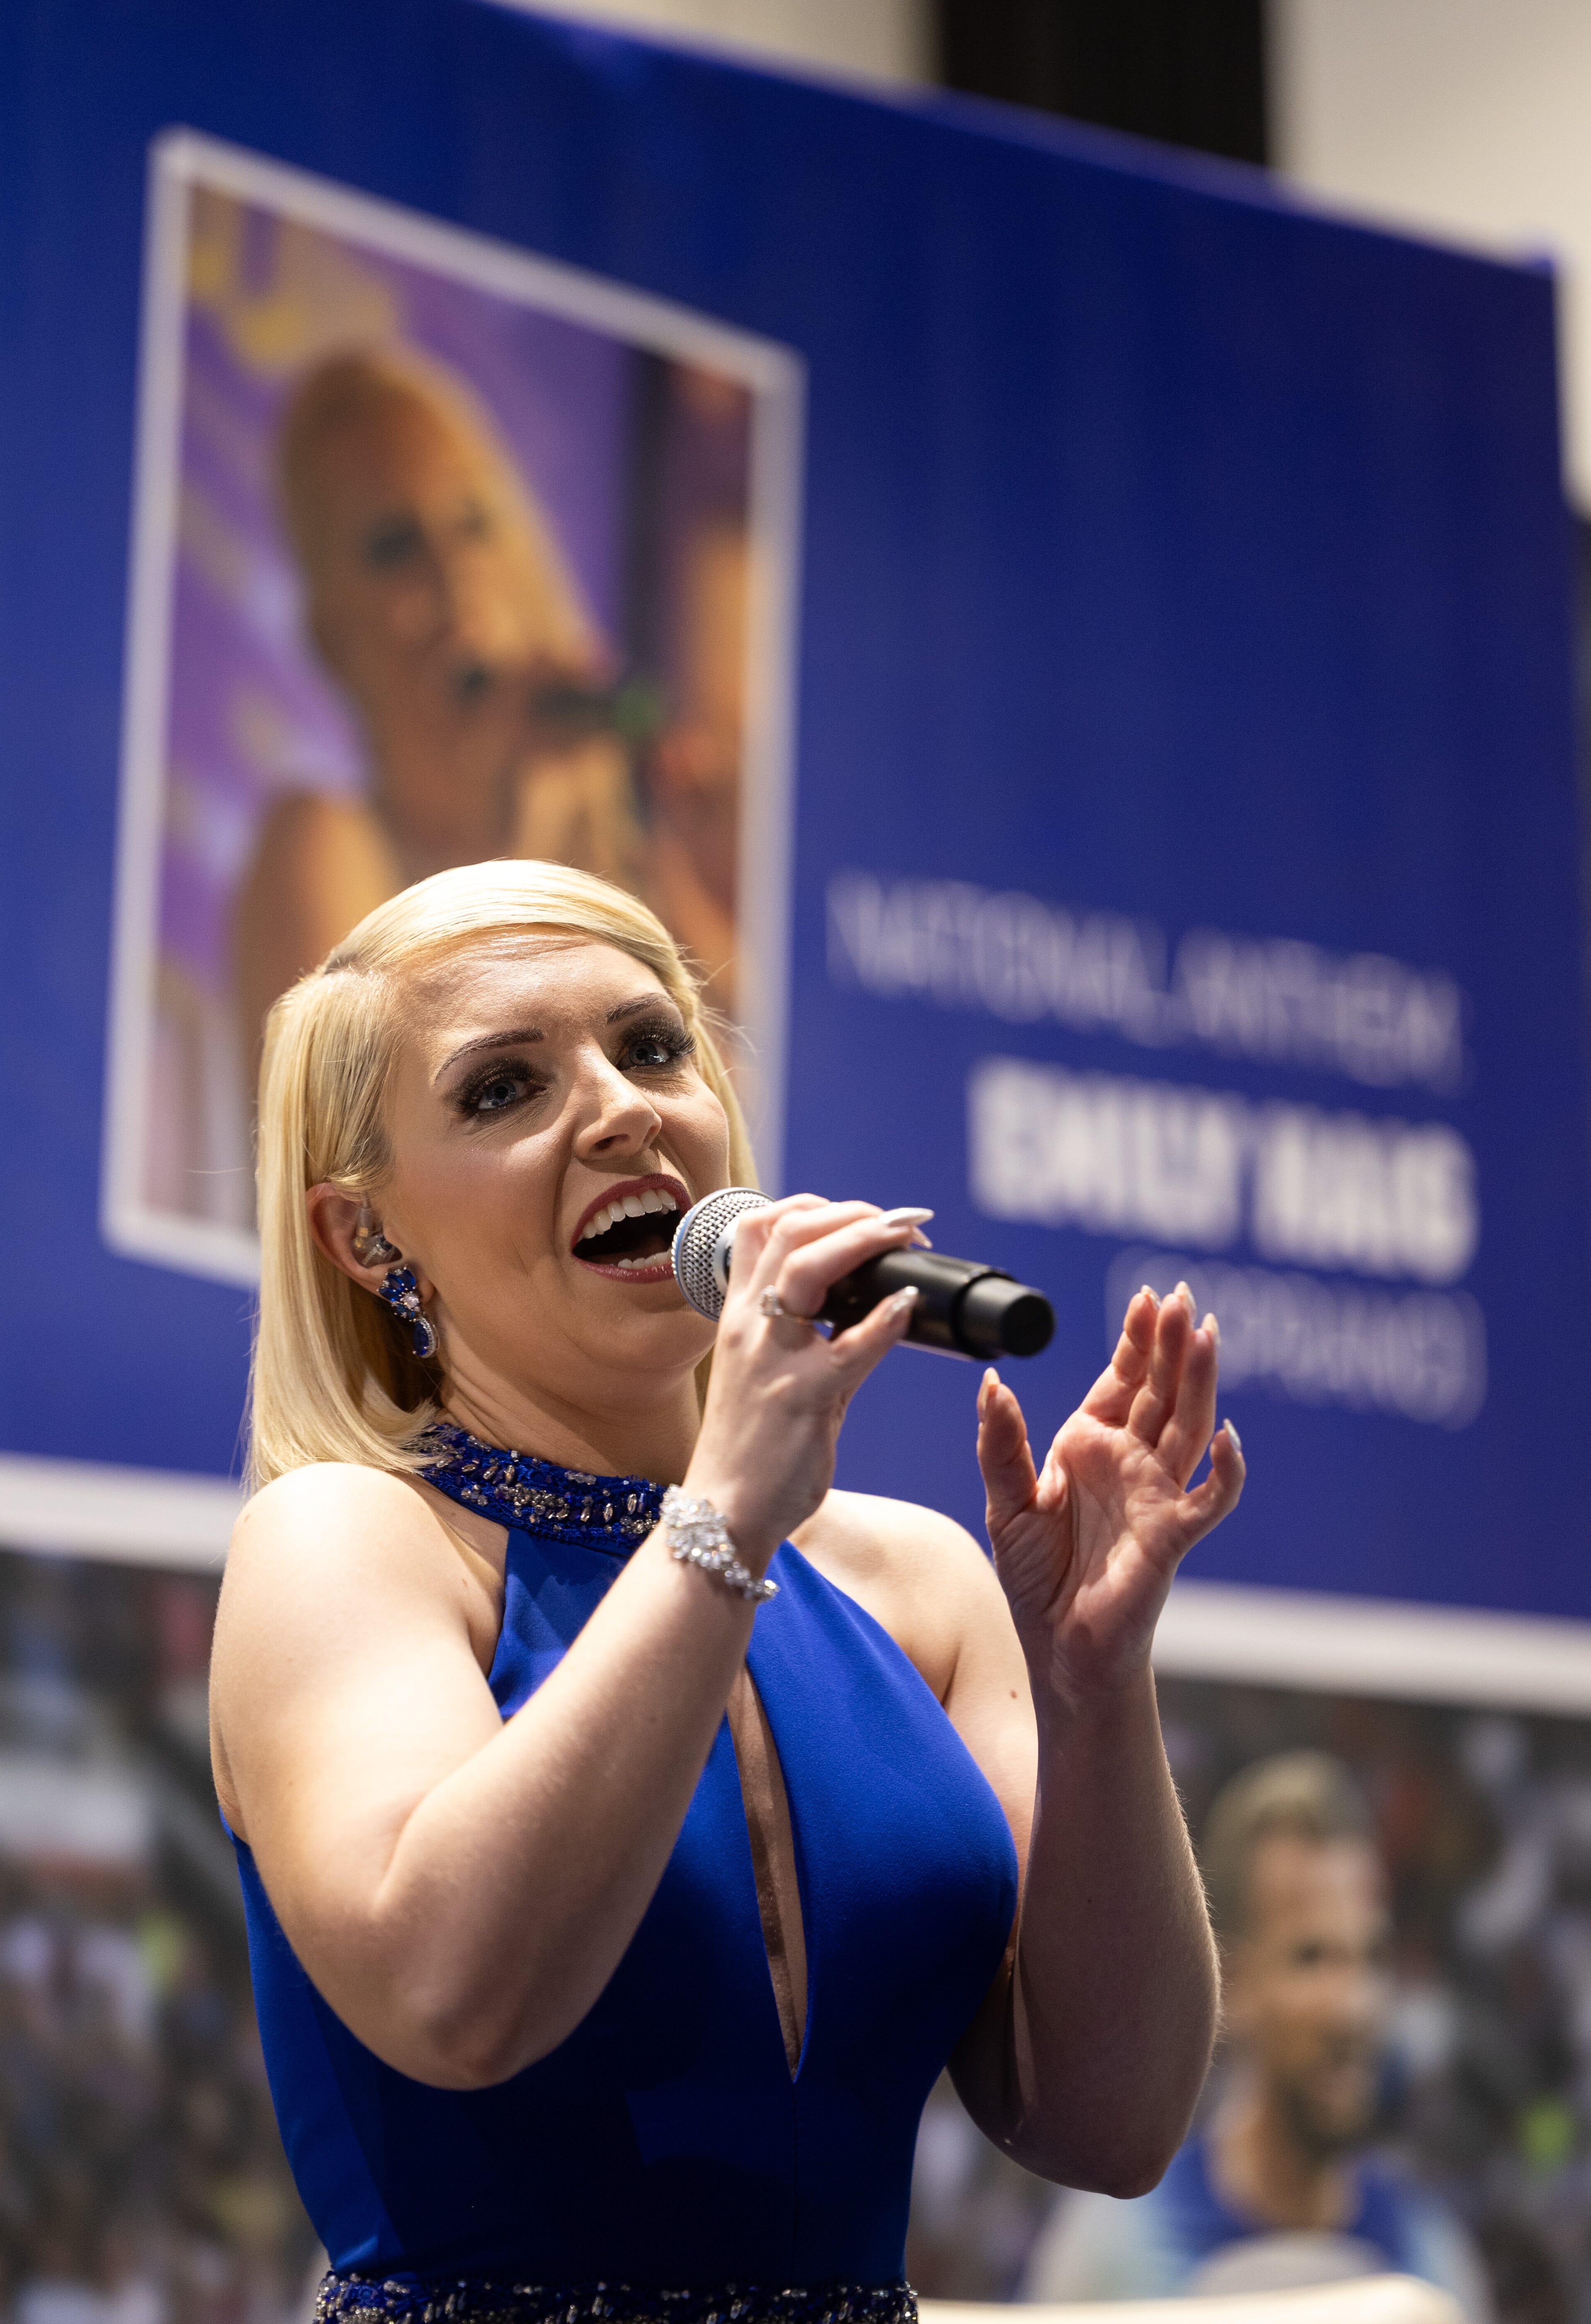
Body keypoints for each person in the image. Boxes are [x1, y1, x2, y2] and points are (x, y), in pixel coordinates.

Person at [208, 856, 1248, 2324]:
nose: (622, 1109)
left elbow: (1112, 2125)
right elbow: (457, 1996)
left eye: (651, 1049)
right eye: (503, 1089)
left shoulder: (920, 1583)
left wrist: (1095, 1687)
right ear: (366, 1236)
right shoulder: (343, 1540)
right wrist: (725, 1520)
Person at [231, 349, 645, 1089]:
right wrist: (527, 841)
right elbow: (376, 1138)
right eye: (396, 548)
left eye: (473, 525)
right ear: (332, 640)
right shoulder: (317, 844)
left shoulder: (629, 854)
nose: (454, 577)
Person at [1024, 1751, 1491, 2315]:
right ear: (1234, 1983)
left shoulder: (1433, 2265)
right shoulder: (1121, 2254)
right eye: (1311, 1959)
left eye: (1371, 1958)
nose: (1354, 2008)